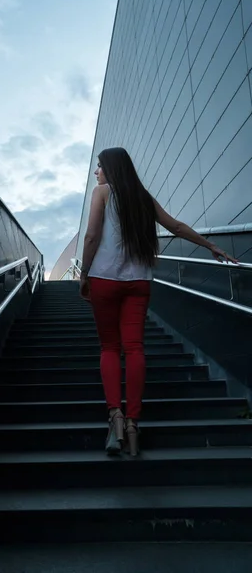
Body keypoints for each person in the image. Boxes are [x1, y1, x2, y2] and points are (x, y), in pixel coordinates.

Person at [80, 147, 237, 457]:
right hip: (139, 281)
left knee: (110, 348)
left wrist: (84, 274)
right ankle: (134, 425)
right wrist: (210, 246)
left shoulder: (102, 193)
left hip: (104, 280)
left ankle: (116, 417)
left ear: (111, 168)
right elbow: (175, 226)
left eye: (99, 166)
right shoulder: (141, 196)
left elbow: (91, 237)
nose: (96, 172)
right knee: (135, 348)